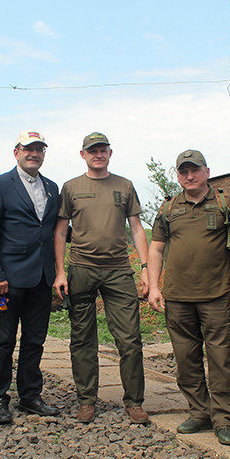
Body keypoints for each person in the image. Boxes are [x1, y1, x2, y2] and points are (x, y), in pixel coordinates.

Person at [53, 132, 150, 424]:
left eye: (102, 150)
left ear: (110, 153)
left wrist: (146, 268)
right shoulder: (71, 188)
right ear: (83, 154)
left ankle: (134, 401)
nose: (98, 154)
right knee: (82, 339)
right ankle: (87, 401)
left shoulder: (125, 186)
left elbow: (136, 229)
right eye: (92, 150)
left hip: (119, 270)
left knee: (130, 339)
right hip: (81, 269)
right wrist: (60, 271)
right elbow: (59, 231)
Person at [147, 150, 230, 445]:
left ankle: (224, 418)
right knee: (186, 358)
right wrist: (153, 286)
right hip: (177, 297)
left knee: (222, 359)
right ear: (178, 176)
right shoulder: (169, 208)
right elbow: (156, 248)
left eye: (195, 170)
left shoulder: (227, 203)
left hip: (217, 295)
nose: (190, 176)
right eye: (184, 171)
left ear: (207, 171)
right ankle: (199, 412)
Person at [0, 131, 61, 424]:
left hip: (41, 278)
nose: (34, 154)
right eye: (28, 149)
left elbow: (53, 232)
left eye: (39, 150)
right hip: (8, 280)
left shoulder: (52, 187)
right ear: (16, 152)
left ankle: (30, 396)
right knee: (3, 340)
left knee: (35, 340)